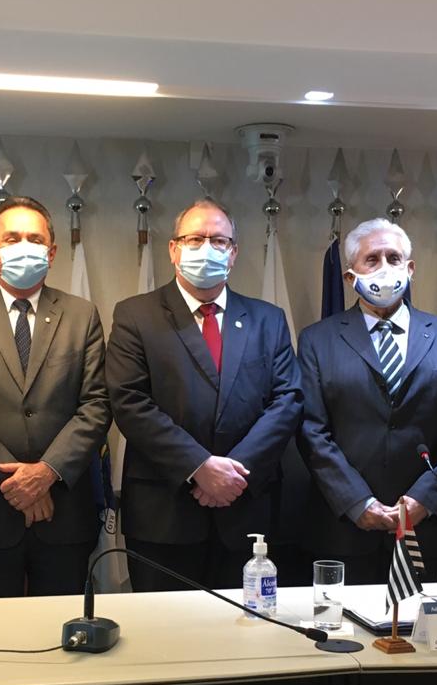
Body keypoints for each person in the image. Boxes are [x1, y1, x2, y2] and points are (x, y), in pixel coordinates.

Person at [106, 198, 301, 591]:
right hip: (164, 513)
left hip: (246, 509)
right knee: (163, 627)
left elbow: (287, 401)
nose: (207, 248)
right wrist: (199, 468)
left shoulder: (268, 319)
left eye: (219, 240)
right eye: (195, 239)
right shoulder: (135, 315)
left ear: (233, 253)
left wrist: (233, 473)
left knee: (245, 626)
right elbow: (130, 402)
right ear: (173, 249)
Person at [0, 196, 110, 597]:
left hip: (64, 513)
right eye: (12, 238)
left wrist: (46, 473)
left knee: (63, 626)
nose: (24, 246)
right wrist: (17, 484)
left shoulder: (82, 315)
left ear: (52, 252)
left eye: (35, 239)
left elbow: (96, 406)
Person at [298, 218, 437, 582]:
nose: (384, 267)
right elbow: (312, 431)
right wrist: (356, 501)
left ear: (410, 269)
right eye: (372, 259)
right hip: (344, 526)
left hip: (422, 525)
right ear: (350, 277)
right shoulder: (317, 340)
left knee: (415, 619)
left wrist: (423, 500)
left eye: (394, 258)